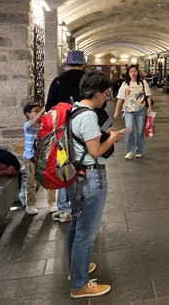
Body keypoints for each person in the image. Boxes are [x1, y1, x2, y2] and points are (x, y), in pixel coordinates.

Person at [66, 71, 127, 299]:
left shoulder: (74, 109)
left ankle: (76, 269)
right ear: (98, 93)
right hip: (90, 177)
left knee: (76, 224)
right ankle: (80, 284)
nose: (106, 98)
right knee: (86, 232)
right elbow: (95, 151)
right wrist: (111, 138)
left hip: (74, 175)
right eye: (106, 93)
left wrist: (104, 135)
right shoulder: (89, 115)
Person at [45, 49, 87, 223]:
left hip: (62, 131)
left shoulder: (58, 81)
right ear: (82, 64)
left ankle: (64, 209)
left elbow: (49, 107)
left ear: (68, 63)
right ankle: (82, 206)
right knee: (84, 165)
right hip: (84, 127)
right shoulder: (87, 80)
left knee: (64, 166)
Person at [21, 102, 57, 215]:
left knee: (50, 180)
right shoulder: (27, 125)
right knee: (31, 183)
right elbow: (32, 123)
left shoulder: (43, 125)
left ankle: (52, 203)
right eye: (35, 111)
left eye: (39, 111)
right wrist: (43, 109)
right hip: (30, 158)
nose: (38, 114)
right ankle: (30, 205)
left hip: (43, 158)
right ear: (27, 114)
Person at [114, 64, 152, 159]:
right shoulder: (125, 84)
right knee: (129, 129)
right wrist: (116, 111)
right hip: (128, 110)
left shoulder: (143, 83)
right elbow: (120, 99)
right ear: (128, 73)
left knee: (140, 131)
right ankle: (129, 150)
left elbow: (148, 96)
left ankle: (139, 150)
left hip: (141, 110)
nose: (133, 73)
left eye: (135, 71)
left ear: (138, 72)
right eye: (131, 71)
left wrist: (150, 107)